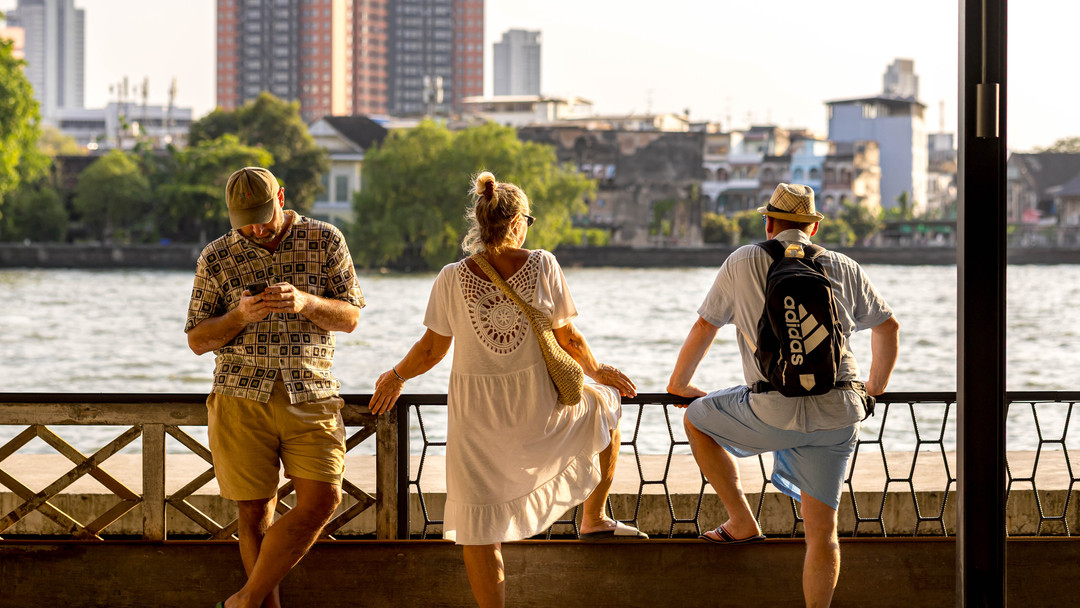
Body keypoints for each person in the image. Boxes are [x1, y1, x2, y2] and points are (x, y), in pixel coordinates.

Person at [369, 171, 647, 608]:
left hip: (474, 419)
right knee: (603, 407)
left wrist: (396, 376)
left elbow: (431, 349)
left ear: (479, 224)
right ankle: (592, 517)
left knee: (480, 528)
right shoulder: (542, 264)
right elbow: (568, 337)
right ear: (517, 222)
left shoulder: (450, 277)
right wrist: (598, 372)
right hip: (534, 409)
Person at [667, 183, 899, 608]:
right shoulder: (843, 265)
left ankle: (740, 521)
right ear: (811, 226)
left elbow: (705, 326)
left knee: (695, 419)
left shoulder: (742, 260)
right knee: (823, 535)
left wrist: (680, 385)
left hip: (770, 410)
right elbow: (888, 327)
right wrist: (872, 389)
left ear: (769, 222)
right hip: (839, 411)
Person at [185, 167, 365, 608]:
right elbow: (196, 339)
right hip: (239, 394)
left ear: (282, 197)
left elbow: (352, 318)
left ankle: (244, 600)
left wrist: (306, 302)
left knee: (324, 499)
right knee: (252, 510)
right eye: (244, 220)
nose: (256, 227)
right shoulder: (217, 255)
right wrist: (240, 317)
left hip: (312, 391)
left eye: (263, 215)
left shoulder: (326, 239)